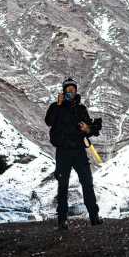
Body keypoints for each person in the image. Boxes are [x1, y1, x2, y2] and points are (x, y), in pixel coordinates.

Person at [45, 77, 101, 230]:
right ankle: (62, 221)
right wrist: (58, 105)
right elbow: (49, 121)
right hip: (63, 152)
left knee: (87, 183)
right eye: (68, 89)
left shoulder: (81, 109)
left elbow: (91, 129)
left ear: (76, 91)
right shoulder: (56, 107)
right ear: (63, 91)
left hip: (79, 151)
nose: (70, 91)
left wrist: (88, 129)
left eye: (73, 89)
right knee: (63, 186)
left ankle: (94, 216)